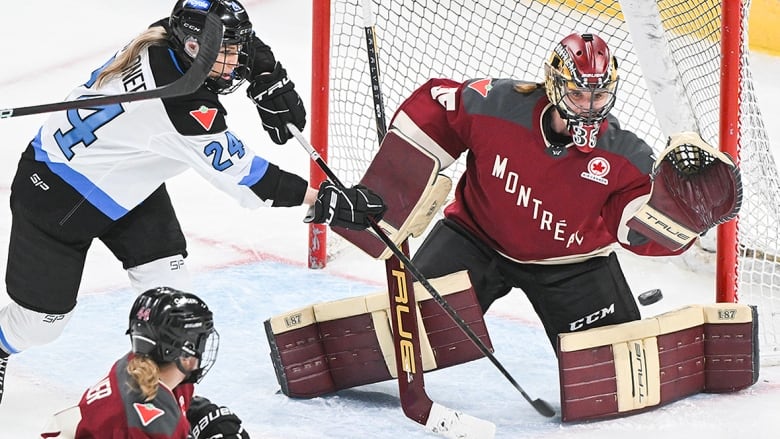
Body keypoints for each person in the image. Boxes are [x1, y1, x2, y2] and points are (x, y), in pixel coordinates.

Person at [0, 0, 385, 403]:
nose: (236, 61)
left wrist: (267, 75)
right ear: (193, 49)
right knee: (40, 326)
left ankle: (162, 401)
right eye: (227, 53)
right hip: (58, 199)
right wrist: (327, 201)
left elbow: (239, 41)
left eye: (237, 51)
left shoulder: (167, 37)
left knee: (172, 300)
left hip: (127, 184)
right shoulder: (181, 106)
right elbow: (249, 179)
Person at [387, 32, 698, 350]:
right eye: (578, 94)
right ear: (554, 85)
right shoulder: (497, 104)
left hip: (572, 266)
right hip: (476, 241)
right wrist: (385, 187)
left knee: (608, 378)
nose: (589, 107)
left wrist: (685, 216)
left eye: (600, 95)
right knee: (407, 338)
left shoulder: (624, 157)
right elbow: (439, 114)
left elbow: (639, 228)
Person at [40, 287, 250, 438]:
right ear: (184, 351)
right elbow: (152, 419)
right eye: (201, 341)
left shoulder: (135, 365)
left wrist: (205, 415)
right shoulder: (154, 424)